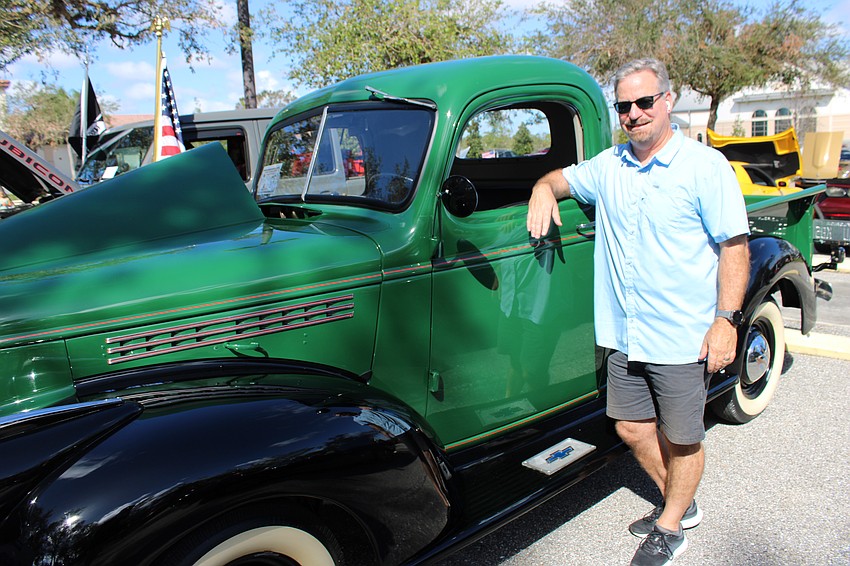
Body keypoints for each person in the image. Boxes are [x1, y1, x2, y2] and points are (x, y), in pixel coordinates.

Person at [526, 59, 750, 565]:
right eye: (624, 105)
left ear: (667, 101)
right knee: (630, 427)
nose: (634, 114)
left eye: (644, 102)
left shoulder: (703, 167)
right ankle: (680, 500)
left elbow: (735, 247)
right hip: (626, 333)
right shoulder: (609, 165)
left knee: (683, 436)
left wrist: (726, 321)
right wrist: (542, 189)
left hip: (682, 332)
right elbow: (560, 178)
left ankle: (670, 526)